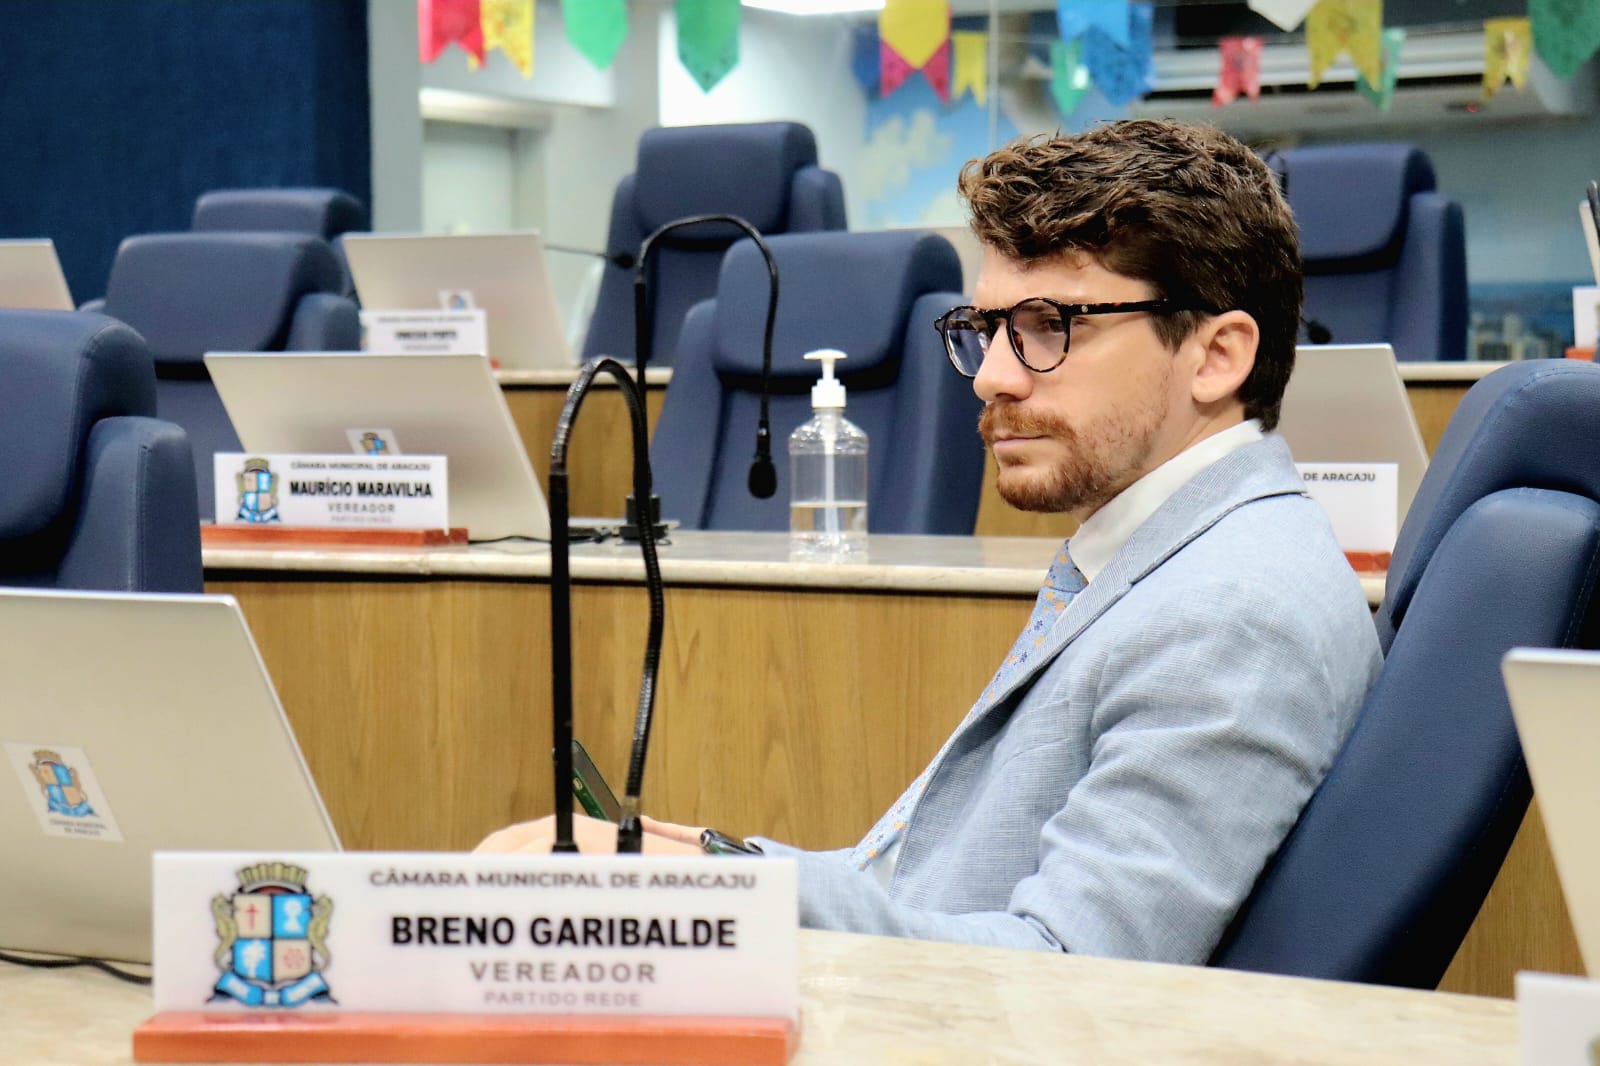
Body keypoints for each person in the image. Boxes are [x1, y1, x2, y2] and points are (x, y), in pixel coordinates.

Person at [478, 119, 1382, 966]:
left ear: (1217, 356)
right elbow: (920, 881)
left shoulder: (1230, 616)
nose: (991, 378)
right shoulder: (1169, 557)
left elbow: (1072, 978)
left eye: (1049, 327)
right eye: (987, 330)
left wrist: (726, 891)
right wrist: (702, 860)